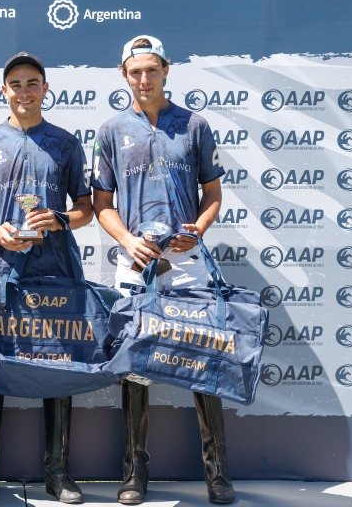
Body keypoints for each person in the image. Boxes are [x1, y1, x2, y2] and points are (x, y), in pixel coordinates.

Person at [91, 35, 233, 505]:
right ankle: (135, 472)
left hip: (187, 263)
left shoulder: (194, 125)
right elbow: (102, 205)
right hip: (136, 263)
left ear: (166, 71)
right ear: (124, 75)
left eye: (152, 70)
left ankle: (217, 472)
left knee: (204, 361)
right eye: (135, 72)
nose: (144, 79)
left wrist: (199, 230)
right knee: (136, 368)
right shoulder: (112, 130)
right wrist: (128, 239)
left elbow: (212, 195)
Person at [0, 51, 93, 505]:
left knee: (60, 366)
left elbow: (87, 208)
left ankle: (58, 472)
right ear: (4, 90)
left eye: (32, 82)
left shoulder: (65, 142)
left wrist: (58, 219)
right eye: (15, 83)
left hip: (56, 270)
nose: (24, 90)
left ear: (45, 88)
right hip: (0, 269)